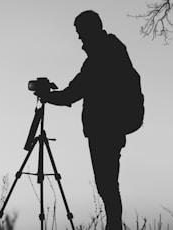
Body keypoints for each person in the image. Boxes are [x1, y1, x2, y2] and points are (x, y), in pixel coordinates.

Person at [42, 10, 138, 230]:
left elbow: (74, 92)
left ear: (89, 29)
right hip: (108, 127)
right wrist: (56, 96)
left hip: (106, 129)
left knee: (107, 185)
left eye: (80, 32)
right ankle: (113, 226)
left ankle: (113, 227)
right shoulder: (108, 51)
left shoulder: (102, 55)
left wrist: (49, 97)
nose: (78, 38)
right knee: (108, 185)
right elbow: (76, 88)